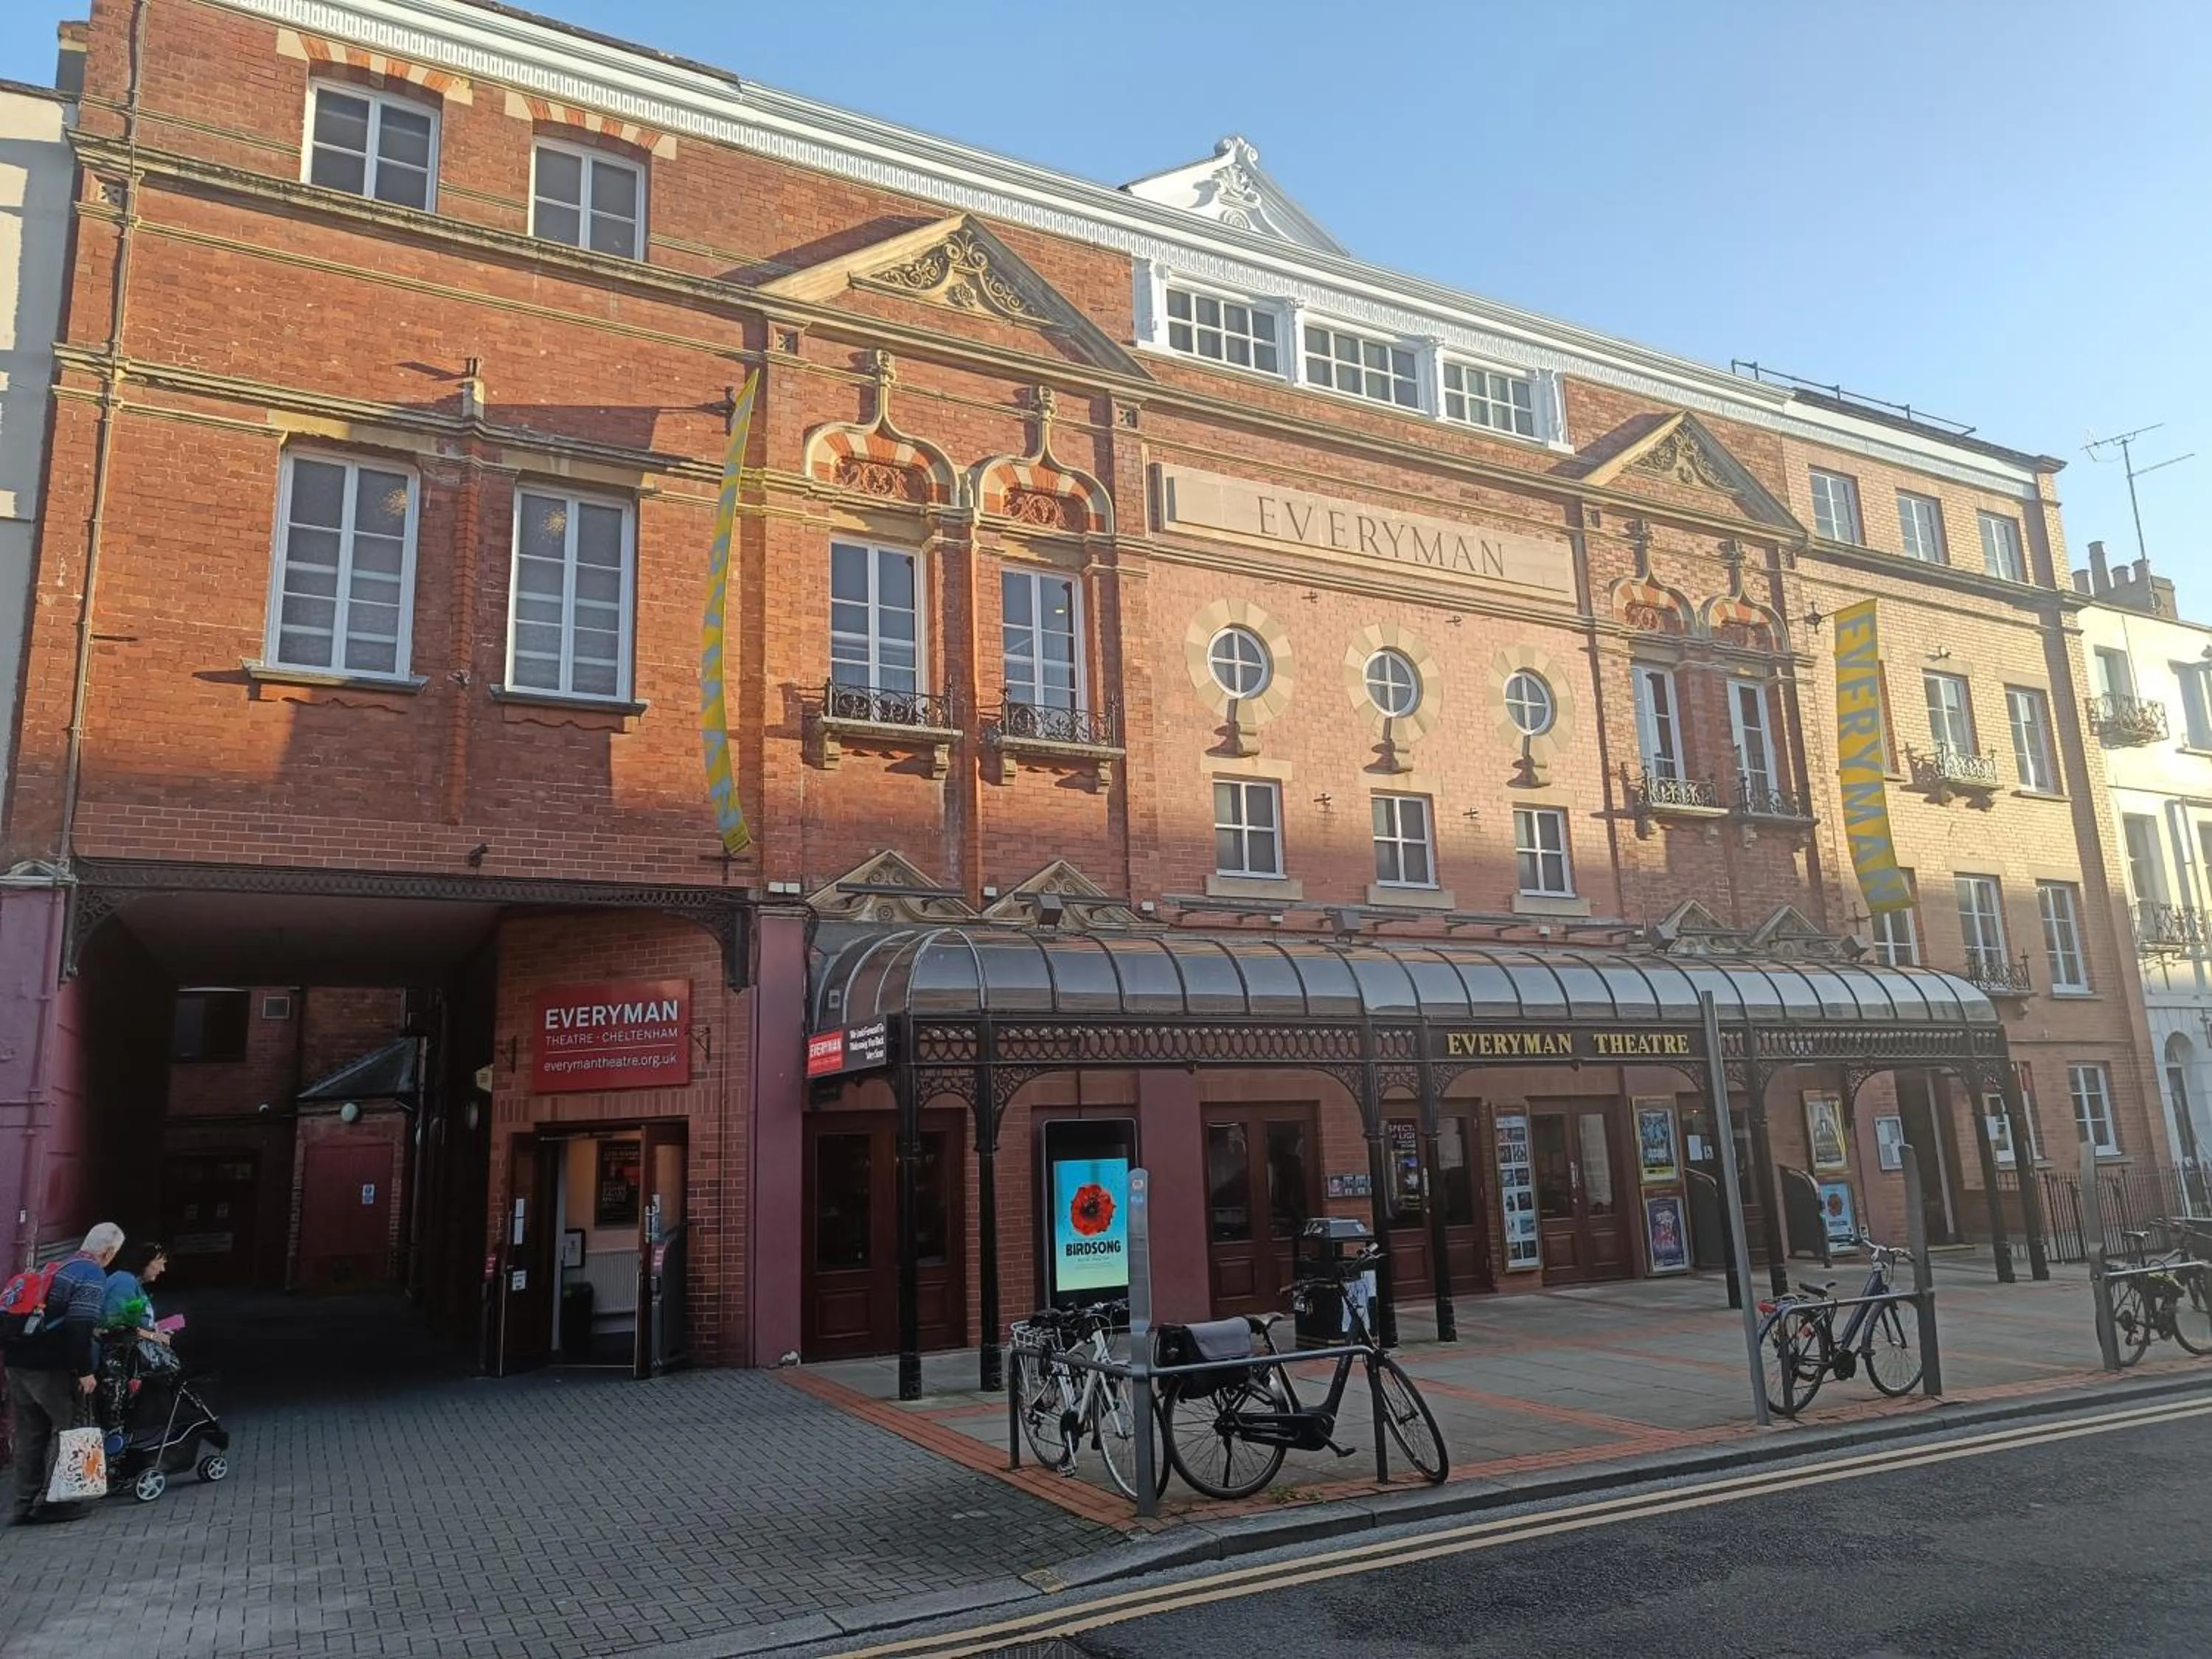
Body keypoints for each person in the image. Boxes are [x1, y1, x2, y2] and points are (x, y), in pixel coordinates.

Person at [5, 1222, 123, 1525]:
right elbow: (80, 1326)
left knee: (30, 1433)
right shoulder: (92, 1273)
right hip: (50, 1366)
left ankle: (22, 1504)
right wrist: (85, 1370)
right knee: (67, 1426)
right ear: (108, 1252)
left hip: (17, 1362)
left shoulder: (53, 1266)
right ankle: (54, 1501)